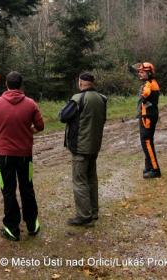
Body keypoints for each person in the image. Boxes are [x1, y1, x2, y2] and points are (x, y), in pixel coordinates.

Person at [0, 71, 44, 241]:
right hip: (25, 154)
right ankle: (32, 224)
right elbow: (40, 126)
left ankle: (12, 228)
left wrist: (0, 129)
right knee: (27, 188)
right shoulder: (31, 103)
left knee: (8, 190)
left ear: (6, 84)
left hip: (4, 155)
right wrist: (28, 131)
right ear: (21, 85)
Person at [60, 72, 107, 226]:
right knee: (91, 179)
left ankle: (84, 216)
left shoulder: (78, 98)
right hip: (94, 145)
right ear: (92, 83)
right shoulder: (101, 98)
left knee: (80, 181)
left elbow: (63, 116)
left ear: (80, 83)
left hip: (80, 147)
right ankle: (93, 212)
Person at [136, 62, 161, 179]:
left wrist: (143, 93)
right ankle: (148, 167)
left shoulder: (149, 84)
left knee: (147, 142)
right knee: (147, 142)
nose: (139, 74)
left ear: (149, 73)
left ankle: (155, 170)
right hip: (149, 115)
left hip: (148, 117)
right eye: (139, 72)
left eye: (142, 72)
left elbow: (145, 93)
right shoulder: (152, 82)